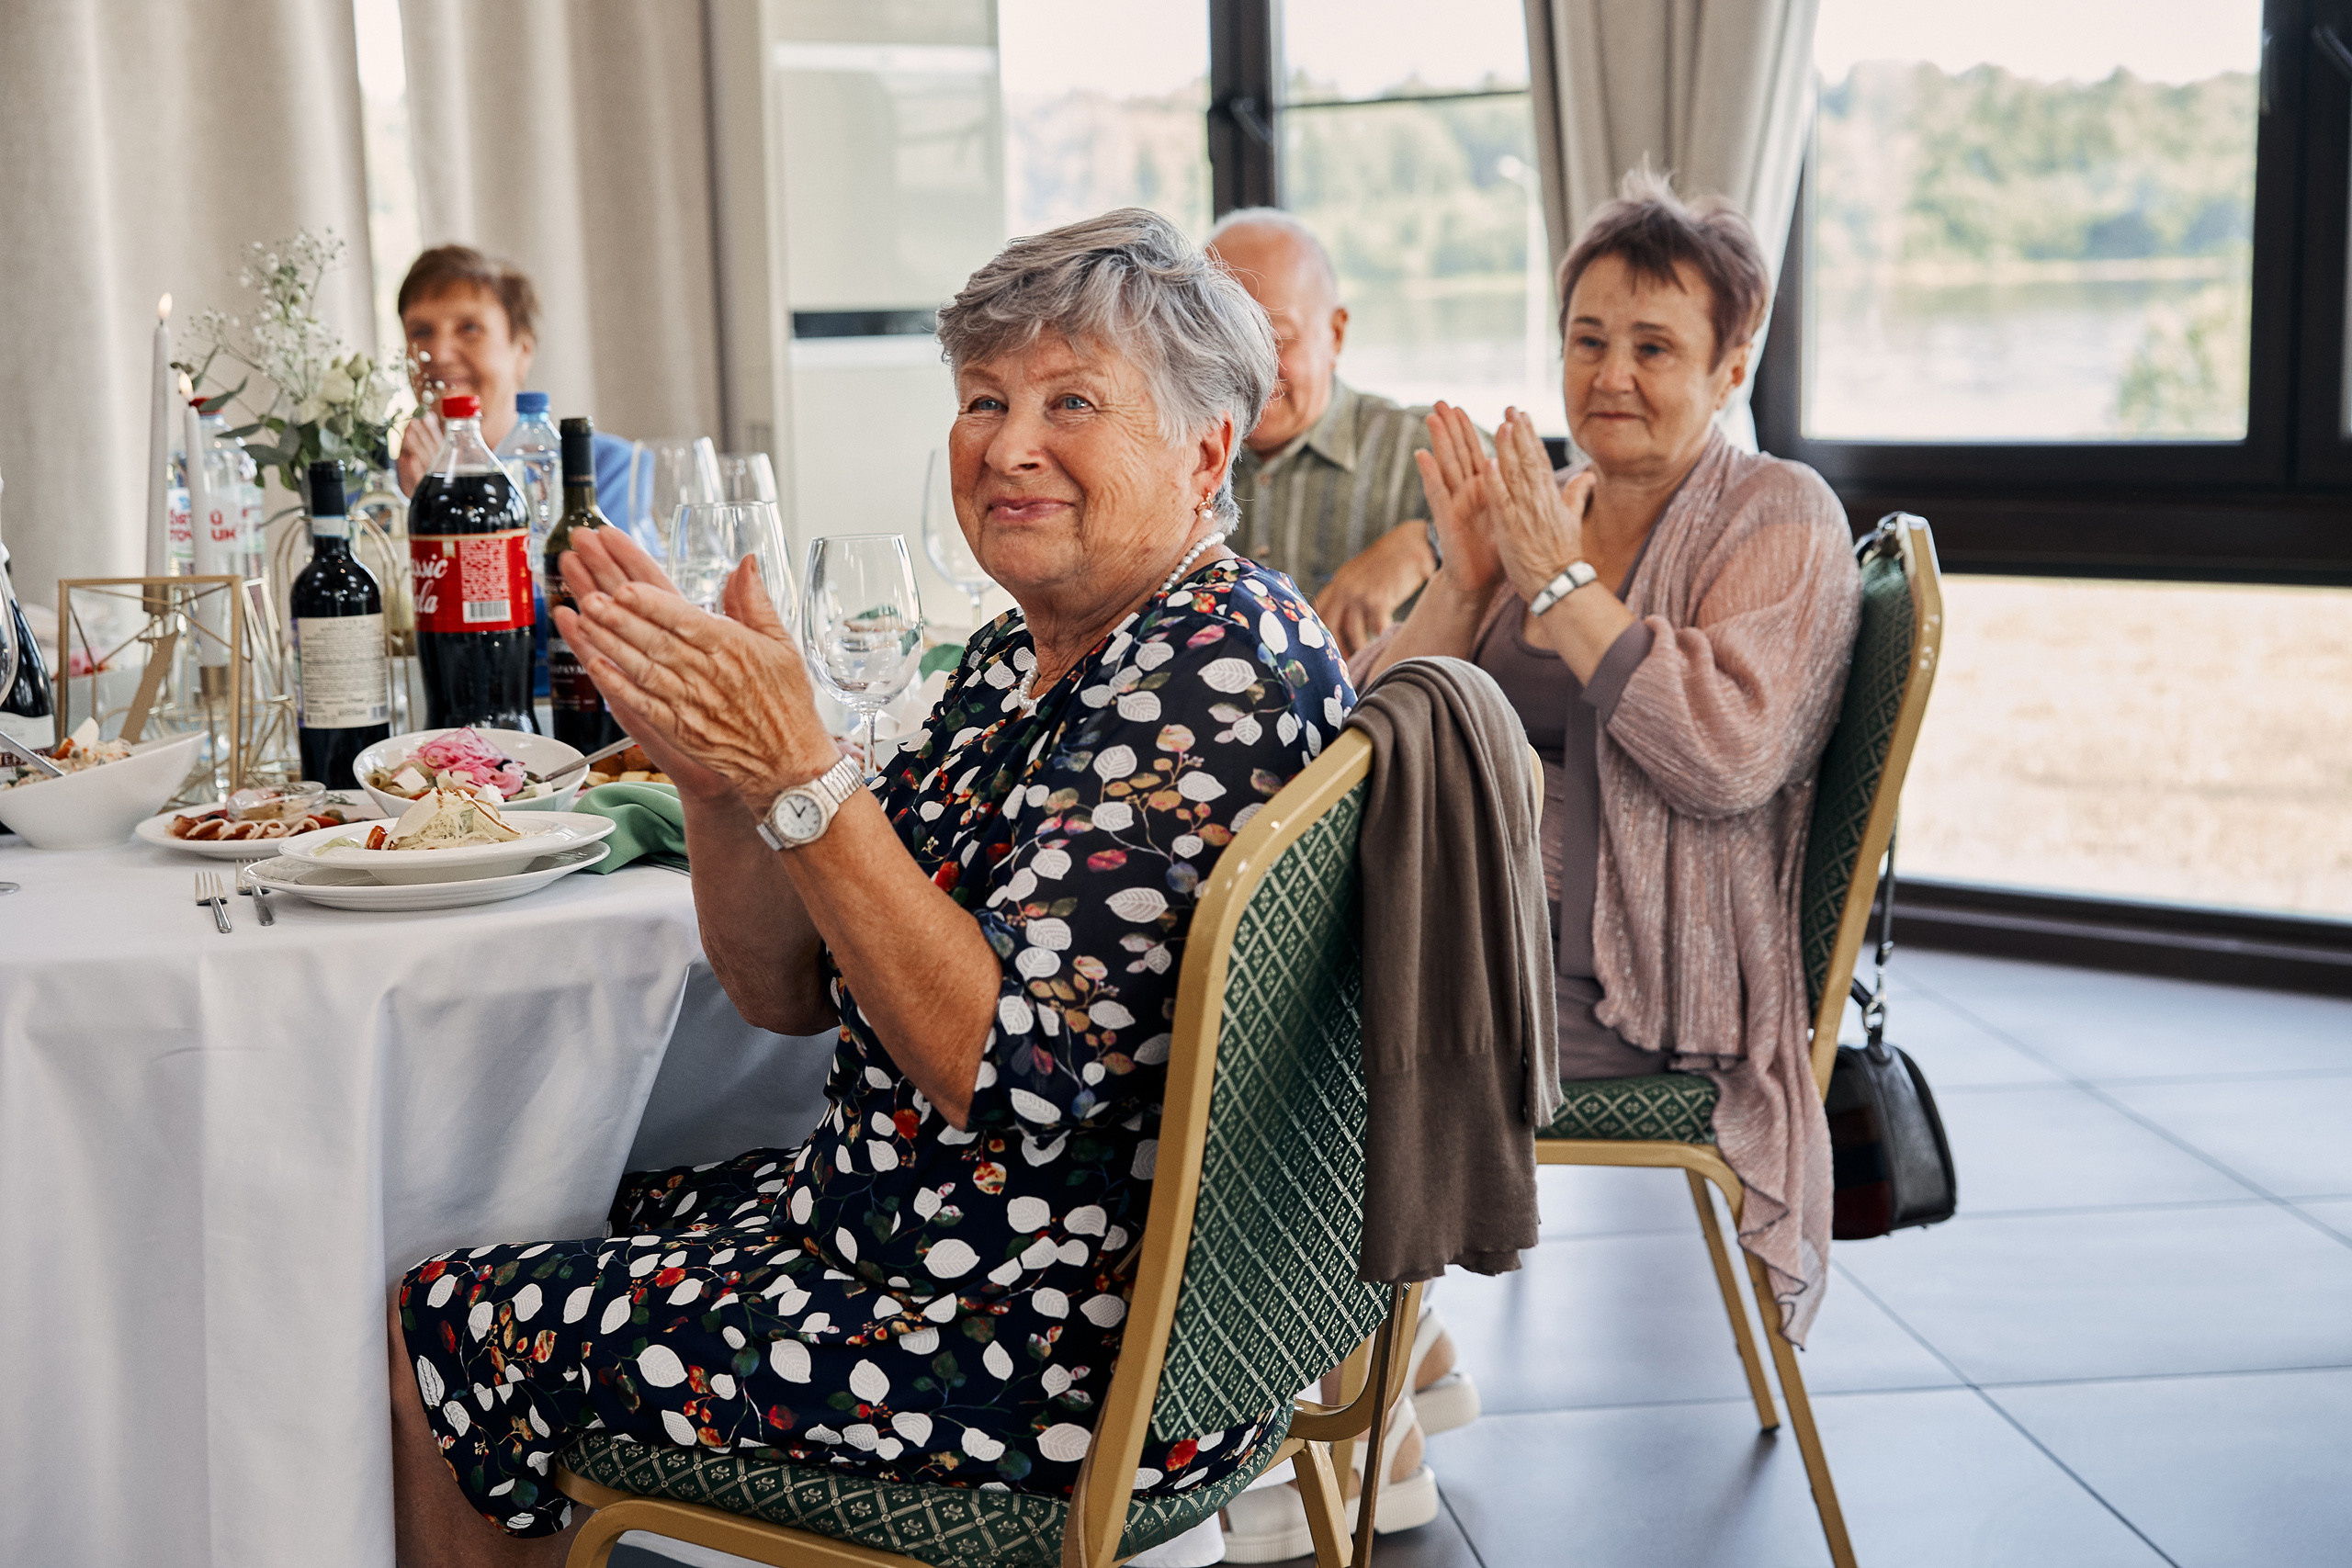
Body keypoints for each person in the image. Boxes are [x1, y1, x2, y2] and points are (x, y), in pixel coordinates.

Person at [384, 209, 1362, 1566]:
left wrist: (800, 765)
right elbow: (784, 988)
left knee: (451, 1314)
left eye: (1071, 401)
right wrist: (724, 785)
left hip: (1034, 1351)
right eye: (982, 399)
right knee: (555, 1202)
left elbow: (998, 1068)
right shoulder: (1038, 660)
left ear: (1205, 450)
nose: (1008, 444)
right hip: (962, 1247)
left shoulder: (1207, 673)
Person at [1361, 170, 1861, 1346]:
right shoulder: (1552, 504)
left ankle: (1353, 1393)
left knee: (1297, 1017)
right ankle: (1377, 1375)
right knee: (1272, 958)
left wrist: (1555, 581)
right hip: (1496, 918)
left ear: (1730, 369)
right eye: (1587, 341)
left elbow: (1728, 755)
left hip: (1646, 974)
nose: (1611, 376)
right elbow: (1373, 726)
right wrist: (1470, 574)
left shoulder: (1779, 515)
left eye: (1654, 346)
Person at [1204, 210, 1450, 657]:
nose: (1250, 371)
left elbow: (1543, 516)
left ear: (1335, 335)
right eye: (1222, 340)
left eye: (1278, 340)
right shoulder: (1166, 461)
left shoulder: (1419, 450)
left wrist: (1428, 542)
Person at [393, 244, 642, 542]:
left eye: (469, 328)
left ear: (522, 351)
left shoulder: (609, 469)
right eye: (421, 332)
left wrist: (443, 510)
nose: (439, 354)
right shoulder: (374, 485)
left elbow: (598, 583)